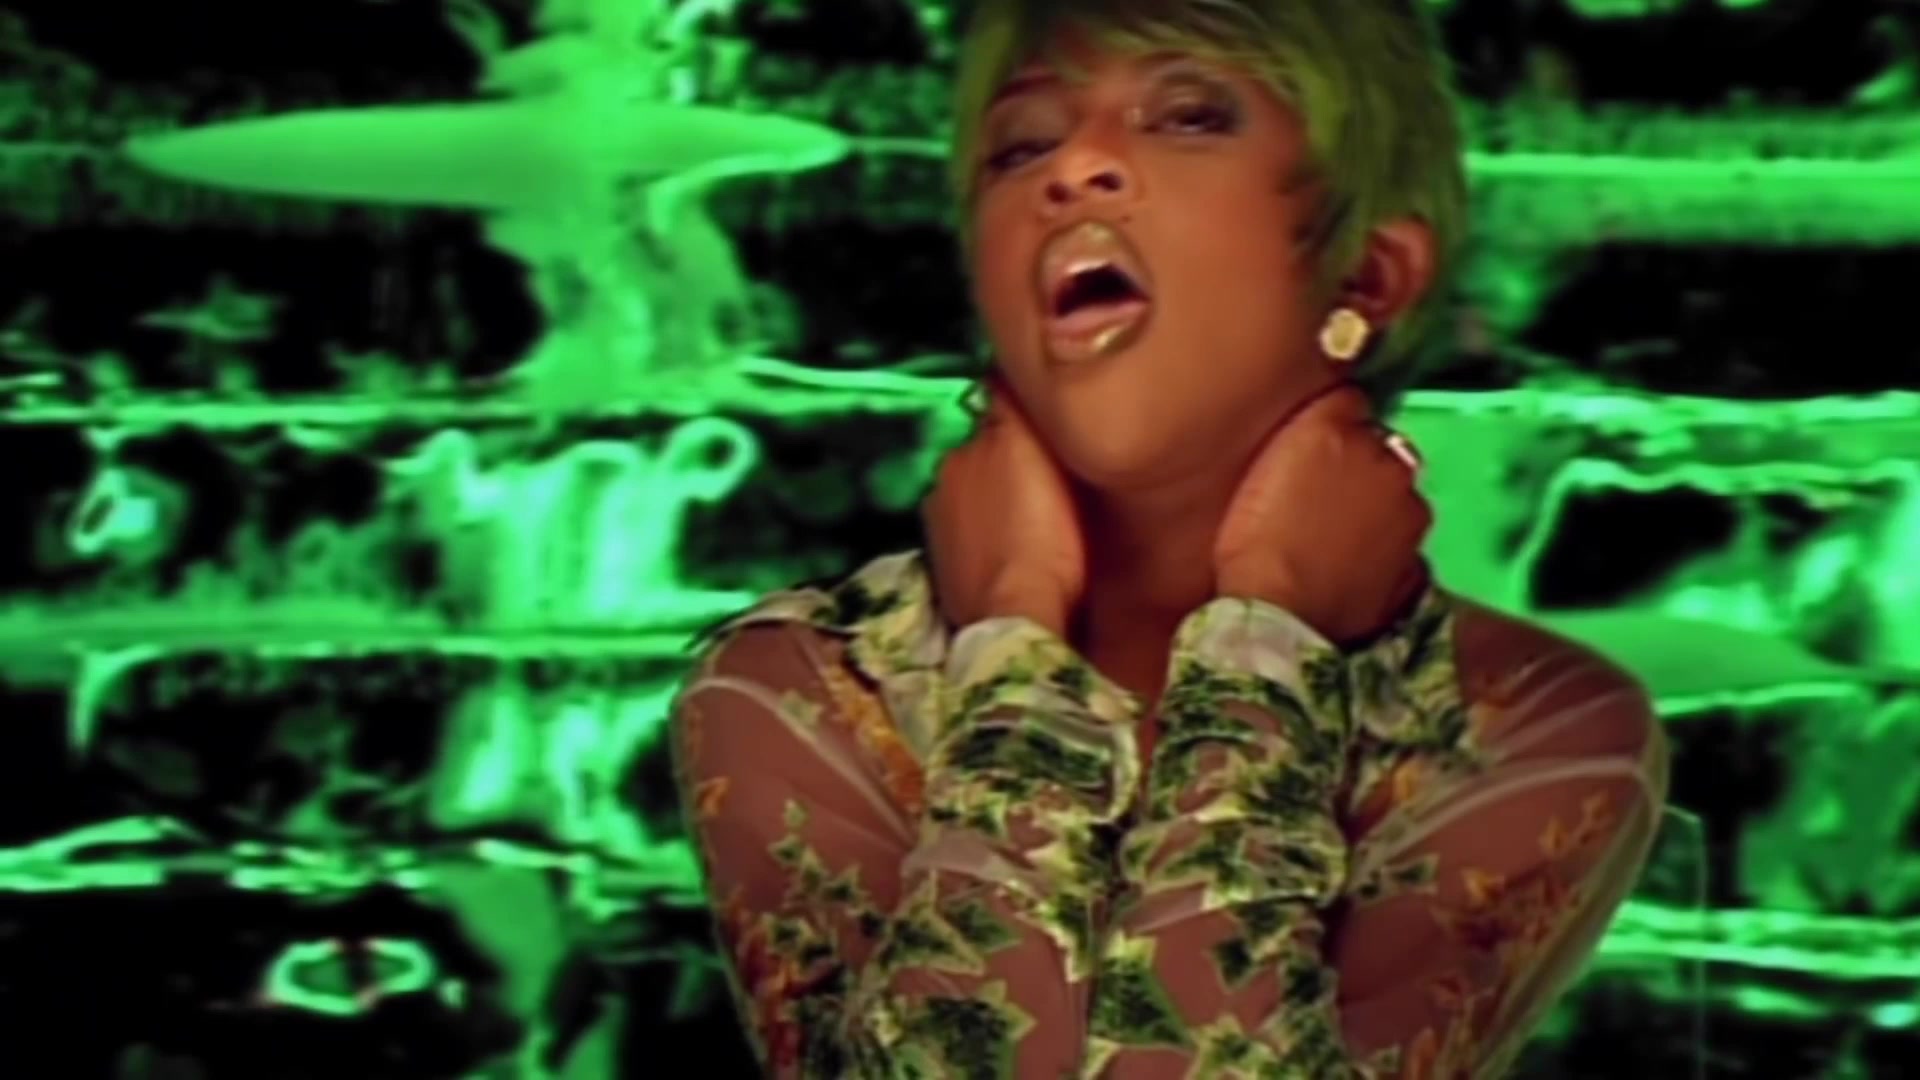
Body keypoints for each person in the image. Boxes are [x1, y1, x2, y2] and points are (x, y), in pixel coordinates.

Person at [668, 1, 1671, 1076]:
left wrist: (1269, 642)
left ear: (1367, 274)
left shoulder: (1529, 726)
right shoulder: (799, 689)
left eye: (1189, 118)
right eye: (1022, 146)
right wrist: (1013, 638)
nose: (1074, 169)